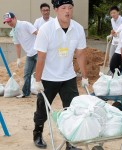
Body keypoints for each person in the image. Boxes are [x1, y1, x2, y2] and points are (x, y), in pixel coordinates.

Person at [33, 0, 89, 149]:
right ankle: (37, 133)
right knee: (42, 109)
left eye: (70, 8)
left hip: (68, 76)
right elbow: (41, 57)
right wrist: (38, 80)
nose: (67, 11)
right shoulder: (46, 29)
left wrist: (84, 76)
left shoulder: (77, 28)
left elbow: (81, 54)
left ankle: (70, 142)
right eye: (63, 8)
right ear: (56, 10)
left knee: (72, 111)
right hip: (48, 78)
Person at [3, 12, 38, 98]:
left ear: (15, 18)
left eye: (10, 21)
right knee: (26, 73)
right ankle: (26, 93)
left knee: (43, 72)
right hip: (29, 55)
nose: (9, 23)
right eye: (7, 22)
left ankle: (47, 91)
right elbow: (17, 45)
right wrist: (18, 58)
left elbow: (38, 33)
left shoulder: (25, 24)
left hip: (38, 52)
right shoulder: (14, 31)